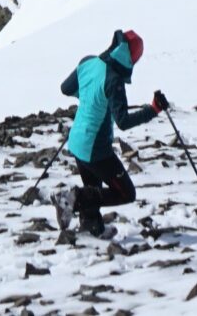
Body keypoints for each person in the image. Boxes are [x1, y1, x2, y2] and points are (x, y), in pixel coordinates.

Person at [55, 29, 166, 241]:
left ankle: (91, 228)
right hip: (95, 147)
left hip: (77, 140)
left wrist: (90, 97)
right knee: (125, 193)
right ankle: (70, 200)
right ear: (131, 59)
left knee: (93, 189)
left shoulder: (88, 62)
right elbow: (123, 121)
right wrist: (153, 110)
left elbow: (66, 88)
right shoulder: (114, 80)